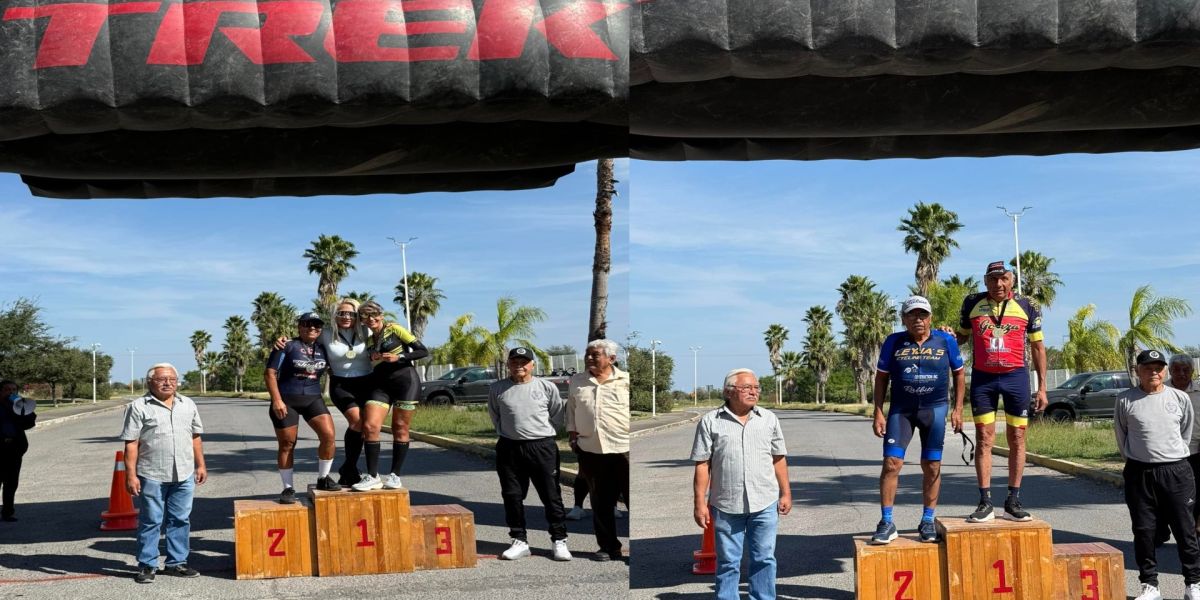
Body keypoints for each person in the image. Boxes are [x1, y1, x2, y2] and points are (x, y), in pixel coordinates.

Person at [952, 260, 1047, 522]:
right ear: (985, 281)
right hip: (983, 379)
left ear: (1012, 281)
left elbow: (1038, 348)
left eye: (1004, 279)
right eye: (993, 280)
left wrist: (1042, 388)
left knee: (1017, 437)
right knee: (984, 438)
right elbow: (961, 336)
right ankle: (985, 502)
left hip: (1016, 377)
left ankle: (1013, 500)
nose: (998, 284)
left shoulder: (1028, 305)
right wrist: (950, 334)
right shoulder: (972, 302)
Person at [870, 296, 965, 544]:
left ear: (930, 318)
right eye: (912, 315)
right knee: (891, 463)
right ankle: (887, 521)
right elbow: (881, 378)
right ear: (904, 319)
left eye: (923, 314)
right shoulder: (893, 342)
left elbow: (959, 374)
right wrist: (878, 411)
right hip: (901, 411)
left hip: (934, 410)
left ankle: (927, 520)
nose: (918, 319)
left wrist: (958, 409)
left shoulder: (946, 340)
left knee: (932, 466)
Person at [691, 368, 791, 600]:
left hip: (765, 501)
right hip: (726, 504)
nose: (754, 392)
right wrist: (700, 503)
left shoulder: (768, 419)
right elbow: (702, 464)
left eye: (756, 388)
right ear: (728, 391)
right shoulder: (710, 422)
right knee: (727, 561)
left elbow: (778, 458)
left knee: (764, 558)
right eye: (747, 387)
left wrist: (786, 493)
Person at [1115, 349, 1200, 600]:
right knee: (1144, 531)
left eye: (1158, 368)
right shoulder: (1125, 400)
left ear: (1164, 371)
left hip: (1175, 471)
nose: (1154, 372)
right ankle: (1150, 585)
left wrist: (1169, 456)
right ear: (1137, 371)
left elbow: (1185, 432)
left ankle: (1193, 584)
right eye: (1147, 368)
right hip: (1139, 472)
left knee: (1185, 530)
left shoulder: (1179, 398)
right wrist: (1141, 458)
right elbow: (1122, 438)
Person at [120, 364, 206, 584]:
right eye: (162, 379)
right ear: (150, 382)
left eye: (172, 379)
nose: (168, 383)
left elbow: (195, 437)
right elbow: (131, 443)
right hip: (152, 473)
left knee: (180, 519)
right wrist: (131, 475)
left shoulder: (187, 404)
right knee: (151, 521)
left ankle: (176, 563)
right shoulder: (139, 406)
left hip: (184, 473)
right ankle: (147, 565)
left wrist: (200, 465)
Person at [488, 347, 571, 561]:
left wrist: (539, 433)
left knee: (551, 496)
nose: (519, 366)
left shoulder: (546, 387)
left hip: (542, 447)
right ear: (508, 365)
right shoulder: (498, 388)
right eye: (515, 362)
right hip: (510, 448)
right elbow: (496, 416)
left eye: (524, 362)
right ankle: (519, 540)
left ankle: (559, 540)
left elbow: (556, 415)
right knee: (512, 495)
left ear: (532, 365)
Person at [351, 300, 429, 491]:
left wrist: (399, 357)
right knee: (370, 426)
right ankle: (372, 476)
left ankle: (395, 475)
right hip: (380, 385)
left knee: (400, 427)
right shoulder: (370, 340)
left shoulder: (395, 329)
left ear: (381, 315)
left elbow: (422, 351)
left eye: (373, 315)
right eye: (365, 317)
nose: (370, 319)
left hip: (405, 382)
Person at [265, 312, 340, 503]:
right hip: (286, 400)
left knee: (329, 436)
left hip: (313, 399)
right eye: (307, 324)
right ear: (299, 327)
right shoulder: (287, 346)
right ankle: (288, 488)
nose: (312, 328)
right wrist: (277, 400)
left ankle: (323, 478)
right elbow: (270, 373)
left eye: (316, 325)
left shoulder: (324, 349)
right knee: (287, 444)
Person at [567, 338, 630, 561]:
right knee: (600, 501)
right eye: (588, 354)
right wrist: (572, 433)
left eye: (595, 354)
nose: (589, 358)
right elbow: (572, 408)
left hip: (623, 448)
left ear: (611, 358)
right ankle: (608, 547)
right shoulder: (578, 380)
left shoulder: (625, 380)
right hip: (590, 449)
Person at [0, 379, 35, 522]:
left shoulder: (19, 406)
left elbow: (29, 423)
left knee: (11, 482)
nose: (11, 393)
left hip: (14, 448)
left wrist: (24, 409)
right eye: (7, 390)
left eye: (14, 390)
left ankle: (8, 512)